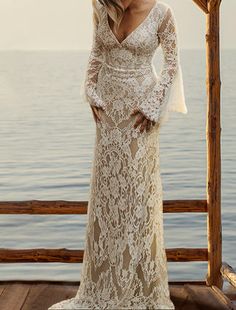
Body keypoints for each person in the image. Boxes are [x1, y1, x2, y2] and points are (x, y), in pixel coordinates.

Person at [48, 0, 187, 309]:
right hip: (108, 113)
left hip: (140, 114)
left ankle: (136, 284)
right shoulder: (101, 7)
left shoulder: (162, 13)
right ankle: (104, 286)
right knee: (108, 195)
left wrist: (153, 106)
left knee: (137, 194)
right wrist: (89, 89)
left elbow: (173, 64)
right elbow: (97, 52)